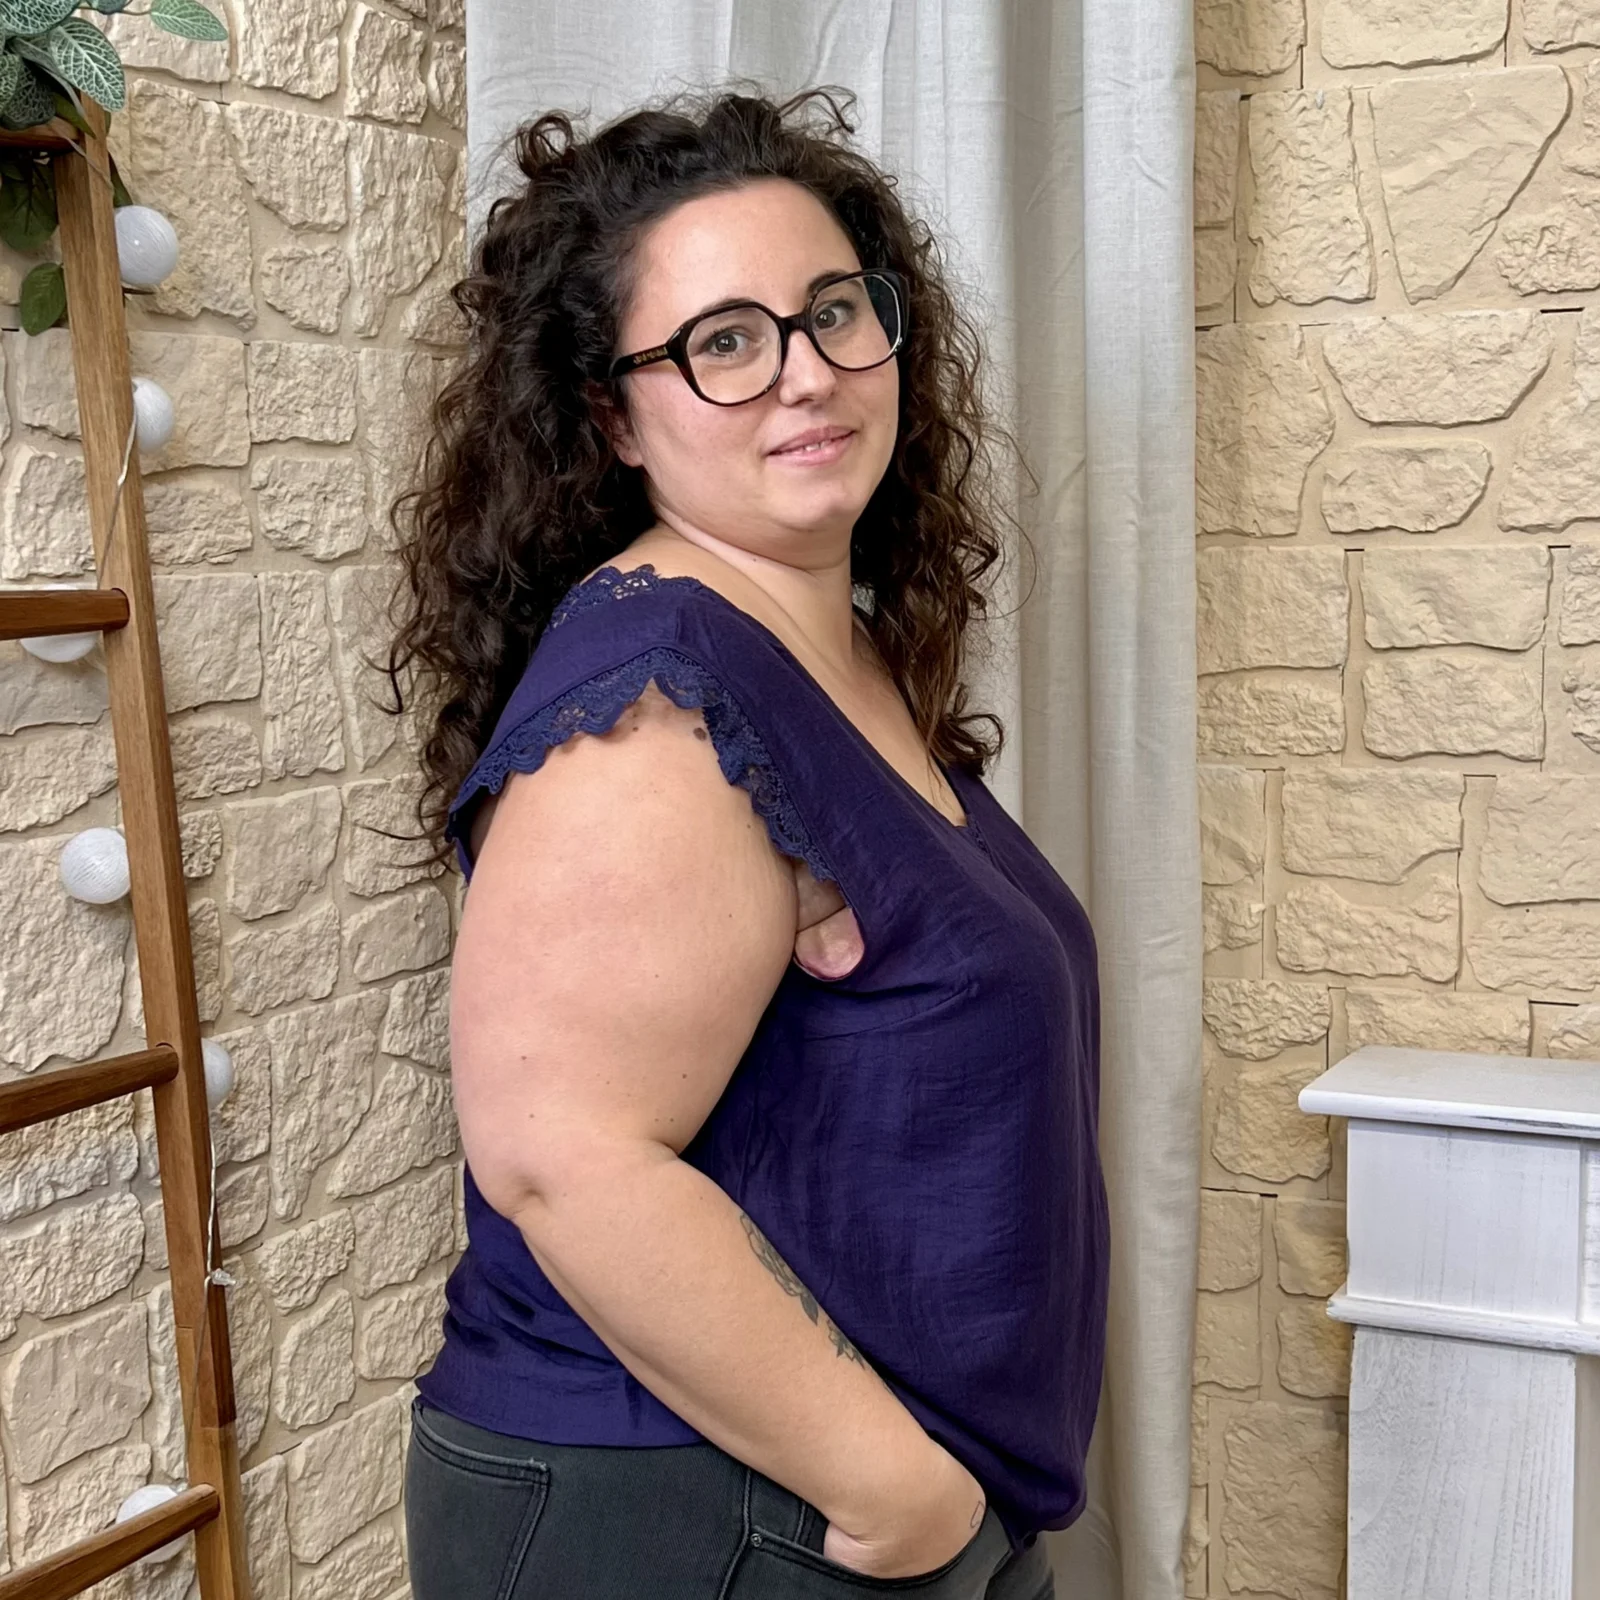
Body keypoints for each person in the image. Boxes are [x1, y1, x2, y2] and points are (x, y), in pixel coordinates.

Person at [388, 82, 1108, 1600]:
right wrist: (893, 1492)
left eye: (834, 311)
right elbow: (562, 1158)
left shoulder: (833, 654)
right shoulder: (657, 699)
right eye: (724, 342)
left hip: (853, 1491)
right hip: (688, 1503)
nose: (809, 373)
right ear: (611, 415)